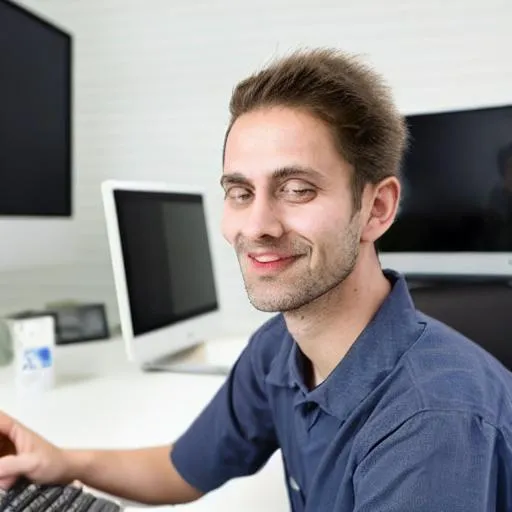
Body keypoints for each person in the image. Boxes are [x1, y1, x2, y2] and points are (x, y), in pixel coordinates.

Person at [1, 48, 512, 511]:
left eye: (296, 189)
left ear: (376, 208)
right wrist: (64, 462)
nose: (258, 226)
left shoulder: (434, 425)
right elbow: (180, 470)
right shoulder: (279, 350)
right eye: (241, 192)